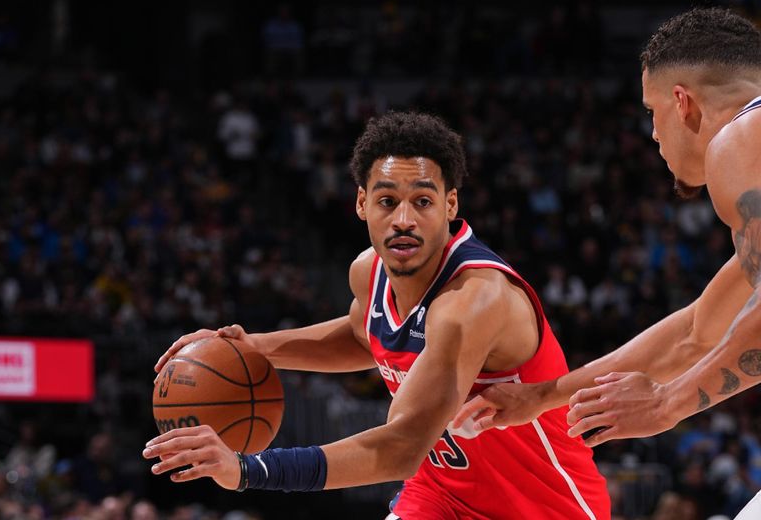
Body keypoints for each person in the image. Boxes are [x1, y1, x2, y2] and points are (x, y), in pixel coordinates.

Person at [143, 112, 610, 519]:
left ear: (450, 206)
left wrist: (247, 470)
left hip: (543, 507)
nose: (403, 218)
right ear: (362, 203)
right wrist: (250, 349)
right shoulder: (368, 273)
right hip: (438, 496)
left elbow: (402, 447)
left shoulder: (472, 302)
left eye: (423, 201)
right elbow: (361, 335)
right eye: (387, 201)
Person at [453, 8, 761, 518]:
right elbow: (699, 332)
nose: (655, 135)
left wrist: (668, 403)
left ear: (682, 102)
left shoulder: (742, 139)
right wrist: (541, 397)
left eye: (651, 112)